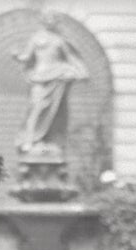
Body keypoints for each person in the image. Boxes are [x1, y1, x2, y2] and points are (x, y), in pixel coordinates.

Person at [13, 12, 89, 154]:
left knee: (53, 112)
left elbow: (71, 56)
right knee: (35, 109)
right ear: (43, 21)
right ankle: (29, 141)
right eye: (47, 18)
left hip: (56, 77)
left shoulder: (59, 40)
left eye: (53, 19)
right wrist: (17, 56)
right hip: (39, 77)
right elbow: (26, 56)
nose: (50, 21)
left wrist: (81, 70)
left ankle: (46, 141)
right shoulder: (36, 39)